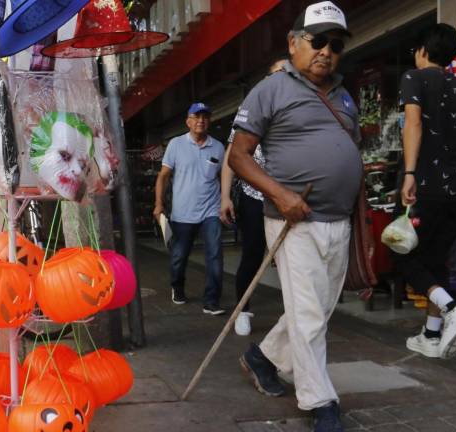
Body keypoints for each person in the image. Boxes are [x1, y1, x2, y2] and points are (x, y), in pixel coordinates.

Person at [229, 2, 360, 430]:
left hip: (338, 220)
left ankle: (261, 357)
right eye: (317, 40)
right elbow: (239, 156)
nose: (326, 51)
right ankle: (320, 403)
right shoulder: (270, 89)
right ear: (294, 42)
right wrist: (281, 195)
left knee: (316, 312)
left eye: (335, 44)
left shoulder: (343, 94)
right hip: (292, 220)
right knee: (307, 315)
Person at [398, 23, 456, 360]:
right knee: (437, 258)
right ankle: (432, 336)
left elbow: (414, 123)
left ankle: (452, 307)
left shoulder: (414, 78)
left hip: (425, 184)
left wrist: (409, 172)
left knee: (400, 252)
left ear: (423, 50)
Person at [221, 57, 287, 336]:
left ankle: (294, 314)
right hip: (254, 196)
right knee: (252, 254)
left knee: (290, 258)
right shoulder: (250, 108)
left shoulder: (299, 107)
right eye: (277, 73)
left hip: (287, 196)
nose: (283, 78)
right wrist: (225, 196)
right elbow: (231, 157)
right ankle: (243, 309)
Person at [153, 103, 225, 315]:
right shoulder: (176, 145)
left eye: (205, 116)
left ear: (209, 121)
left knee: (215, 254)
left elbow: (224, 176)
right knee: (179, 256)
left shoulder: (218, 147)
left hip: (211, 211)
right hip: (183, 213)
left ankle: (211, 301)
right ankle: (177, 286)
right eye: (196, 116)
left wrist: (226, 201)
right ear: (188, 121)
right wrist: (158, 204)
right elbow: (163, 176)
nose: (200, 120)